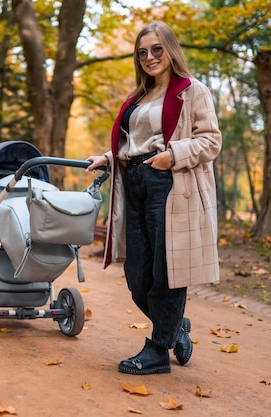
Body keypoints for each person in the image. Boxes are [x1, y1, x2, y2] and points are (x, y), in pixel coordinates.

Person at [86, 21, 222, 375]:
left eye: (156, 49)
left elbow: (210, 141)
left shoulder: (192, 91)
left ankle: (158, 350)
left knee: (167, 272)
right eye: (142, 52)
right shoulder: (137, 98)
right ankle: (175, 327)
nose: (149, 57)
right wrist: (110, 157)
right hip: (134, 183)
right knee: (137, 275)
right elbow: (135, 146)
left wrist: (172, 156)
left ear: (170, 49)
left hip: (169, 183)